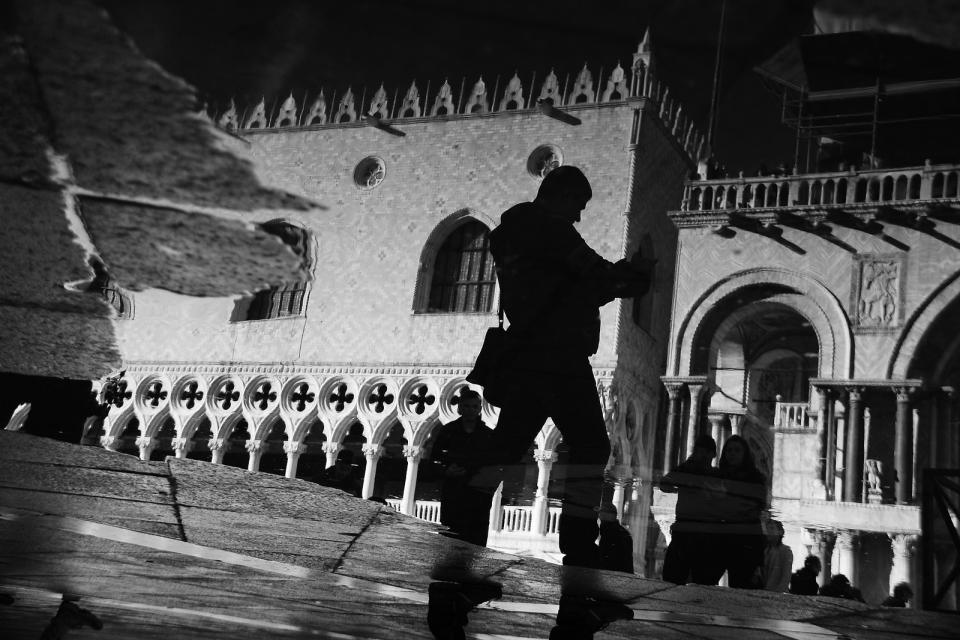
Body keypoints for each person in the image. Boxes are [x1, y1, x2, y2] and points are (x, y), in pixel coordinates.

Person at [478, 165, 653, 569]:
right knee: (592, 445)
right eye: (578, 205)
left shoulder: (508, 233)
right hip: (558, 358)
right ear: (561, 195)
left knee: (506, 446)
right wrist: (638, 273)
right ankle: (577, 542)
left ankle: (465, 517)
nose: (578, 216)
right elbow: (599, 277)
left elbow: (567, 288)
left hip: (524, 354)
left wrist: (597, 286)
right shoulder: (552, 231)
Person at [432, 388, 495, 546]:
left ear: (480, 409)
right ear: (459, 408)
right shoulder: (447, 432)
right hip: (454, 494)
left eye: (474, 406)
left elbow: (494, 466)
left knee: (475, 541)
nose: (470, 410)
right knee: (450, 539)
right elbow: (433, 460)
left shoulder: (487, 435)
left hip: (478, 498)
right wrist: (446, 470)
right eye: (466, 406)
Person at [659, 434, 722, 584]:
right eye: (699, 451)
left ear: (712, 454)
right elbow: (664, 484)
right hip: (686, 530)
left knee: (694, 579)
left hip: (701, 533)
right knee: (675, 576)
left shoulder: (714, 474)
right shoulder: (687, 469)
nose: (701, 456)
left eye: (704, 452)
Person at [715, 435, 767, 588]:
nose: (732, 454)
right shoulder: (719, 476)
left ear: (745, 454)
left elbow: (756, 506)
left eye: (737, 450)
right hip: (720, 537)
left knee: (740, 584)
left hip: (745, 542)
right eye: (729, 450)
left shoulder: (755, 478)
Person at [762, 519, 793, 592]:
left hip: (776, 591)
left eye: (772, 528)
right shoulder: (765, 550)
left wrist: (779, 591)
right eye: (767, 528)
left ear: (780, 532)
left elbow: (786, 576)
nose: (768, 531)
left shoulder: (786, 551)